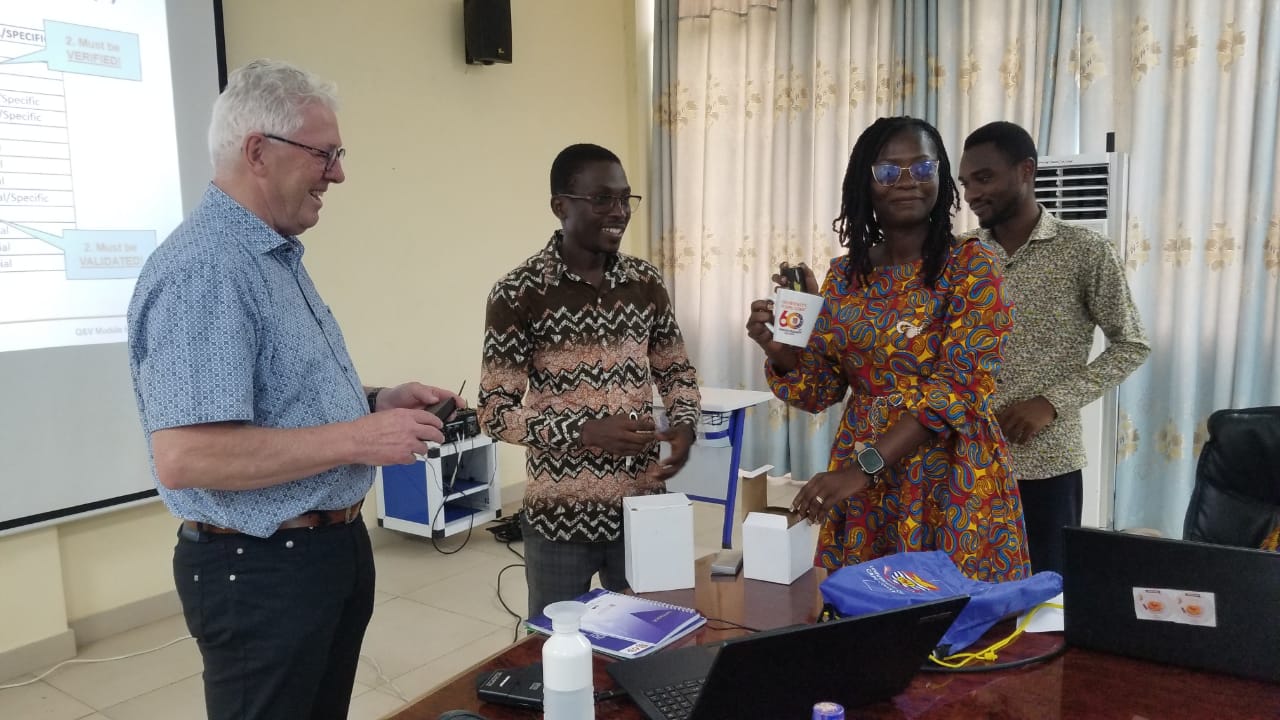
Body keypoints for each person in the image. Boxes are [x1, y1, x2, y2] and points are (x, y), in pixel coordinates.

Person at [127, 60, 463, 720]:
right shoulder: (209, 269)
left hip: (318, 558)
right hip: (259, 573)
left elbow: (281, 398)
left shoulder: (269, 256)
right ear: (259, 151)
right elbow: (188, 455)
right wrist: (361, 438)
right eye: (326, 154)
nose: (338, 173)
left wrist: (375, 403)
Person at [745, 116, 1030, 582]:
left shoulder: (971, 265)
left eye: (922, 169)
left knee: (949, 621)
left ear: (940, 178)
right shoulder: (844, 276)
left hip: (947, 472)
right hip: (865, 474)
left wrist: (863, 468)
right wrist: (782, 350)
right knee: (866, 619)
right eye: (887, 171)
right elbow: (820, 391)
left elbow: (956, 389)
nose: (906, 182)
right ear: (865, 182)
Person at [478, 143, 702, 617]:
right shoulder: (519, 294)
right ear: (561, 206)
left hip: (641, 509)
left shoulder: (645, 283)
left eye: (625, 199)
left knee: (649, 640)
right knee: (561, 655)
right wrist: (583, 432)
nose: (619, 213)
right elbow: (495, 413)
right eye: (603, 200)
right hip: (559, 520)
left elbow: (677, 372)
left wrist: (684, 425)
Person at [958, 121, 1149, 575]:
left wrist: (1051, 402)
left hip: (1045, 463)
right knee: (968, 590)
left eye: (983, 178)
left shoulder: (1085, 251)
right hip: (966, 459)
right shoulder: (960, 255)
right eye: (965, 183)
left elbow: (1132, 345)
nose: (971, 194)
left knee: (1046, 598)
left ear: (1026, 171)